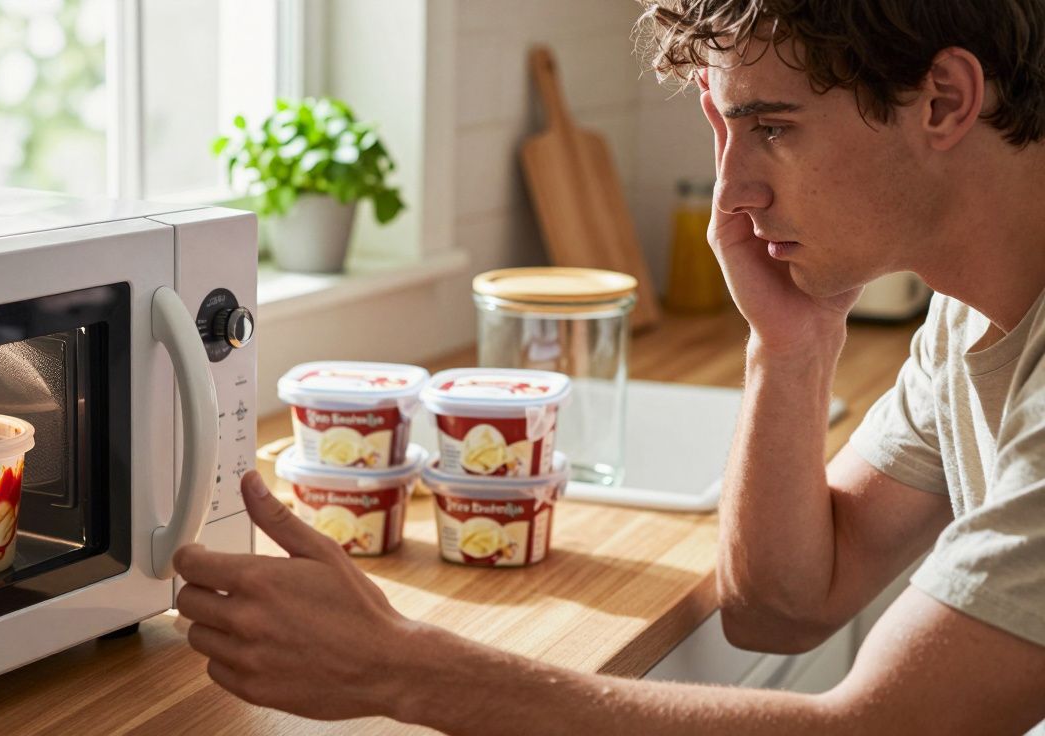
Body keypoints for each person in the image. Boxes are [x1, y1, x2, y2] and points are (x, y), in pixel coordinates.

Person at [174, 1, 1045, 732]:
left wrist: (399, 667)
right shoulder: (970, 320)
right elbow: (780, 606)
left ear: (942, 101)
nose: (732, 190)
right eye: (729, 133)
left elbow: (875, 731)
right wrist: (790, 344)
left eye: (772, 128)